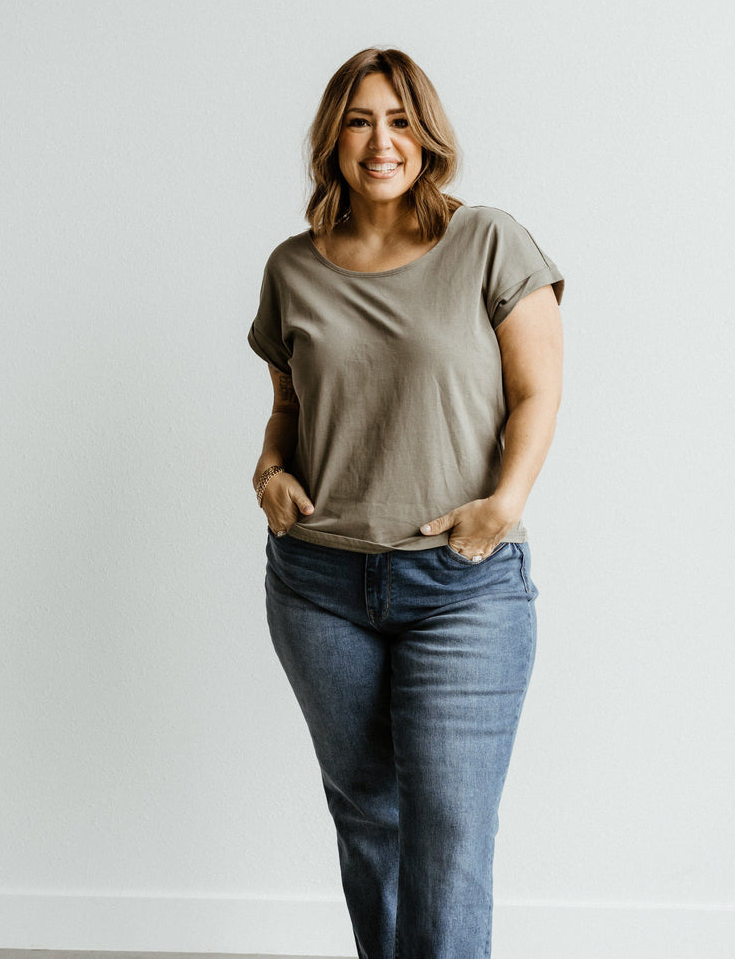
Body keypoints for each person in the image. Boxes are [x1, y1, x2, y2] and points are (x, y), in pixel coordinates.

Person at [248, 47, 565, 959]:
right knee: (369, 821)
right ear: (331, 141)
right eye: (358, 120)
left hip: (462, 587)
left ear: (427, 134)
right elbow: (286, 409)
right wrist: (269, 472)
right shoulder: (292, 267)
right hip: (317, 584)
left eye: (398, 119)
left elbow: (538, 392)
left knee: (451, 831)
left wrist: (503, 503)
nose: (380, 141)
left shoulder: (489, 241)